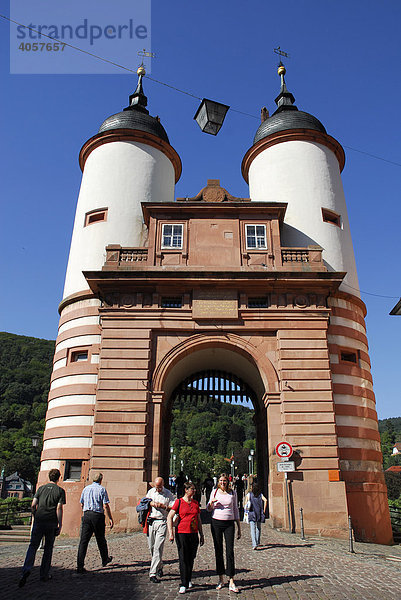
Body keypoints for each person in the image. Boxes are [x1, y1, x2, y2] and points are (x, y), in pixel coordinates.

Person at [19, 468, 66, 587]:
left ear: (48, 477)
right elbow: (59, 508)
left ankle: (26, 569)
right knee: (48, 548)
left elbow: (33, 505)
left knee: (33, 546)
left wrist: (35, 516)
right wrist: (60, 524)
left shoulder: (40, 489)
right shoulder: (60, 491)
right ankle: (44, 574)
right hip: (51, 522)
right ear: (59, 477)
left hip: (39, 521)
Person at [167, 482, 204, 594]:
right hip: (182, 532)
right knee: (183, 557)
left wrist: (201, 534)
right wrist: (171, 533)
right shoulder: (178, 502)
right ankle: (183, 583)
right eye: (192, 489)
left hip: (193, 533)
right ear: (186, 490)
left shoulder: (195, 503)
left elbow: (199, 520)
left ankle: (188, 579)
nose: (194, 491)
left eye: (194, 489)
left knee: (191, 557)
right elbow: (169, 517)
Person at [207, 473, 241, 593]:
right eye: (221, 480)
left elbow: (235, 509)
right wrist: (211, 503)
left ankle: (231, 579)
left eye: (225, 480)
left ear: (228, 481)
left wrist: (239, 527)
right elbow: (208, 508)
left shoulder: (233, 493)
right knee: (218, 550)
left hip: (229, 523)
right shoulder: (214, 492)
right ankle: (221, 578)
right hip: (216, 522)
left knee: (230, 551)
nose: (223, 482)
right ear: (218, 482)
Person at [76, 472, 113, 573]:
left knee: (83, 541)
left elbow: (82, 504)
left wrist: (85, 512)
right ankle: (105, 559)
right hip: (97, 516)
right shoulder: (102, 489)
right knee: (100, 539)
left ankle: (79, 565)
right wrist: (110, 518)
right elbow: (105, 505)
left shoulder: (86, 489)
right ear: (101, 479)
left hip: (87, 515)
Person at [146, 476, 175, 583]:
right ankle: (159, 566)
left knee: (158, 548)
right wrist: (151, 503)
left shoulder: (168, 494)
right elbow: (145, 502)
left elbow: (173, 507)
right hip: (151, 522)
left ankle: (152, 573)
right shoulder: (151, 492)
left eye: (159, 487)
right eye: (156, 486)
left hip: (162, 521)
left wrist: (164, 506)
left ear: (163, 484)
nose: (157, 489)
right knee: (152, 547)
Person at [245, 482, 268, 549]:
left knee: (252, 529)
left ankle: (254, 544)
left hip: (252, 513)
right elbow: (265, 500)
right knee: (258, 528)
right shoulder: (260, 495)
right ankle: (257, 542)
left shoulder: (249, 495)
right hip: (259, 513)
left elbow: (245, 504)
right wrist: (264, 510)